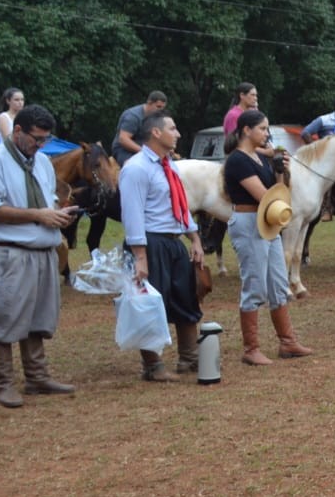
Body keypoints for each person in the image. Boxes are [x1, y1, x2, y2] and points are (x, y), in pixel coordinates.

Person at [0, 103, 81, 407]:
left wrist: (59, 215)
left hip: (43, 251)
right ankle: (4, 383)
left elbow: (44, 205)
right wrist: (38, 215)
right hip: (11, 252)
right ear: (17, 131)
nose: (40, 144)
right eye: (36, 138)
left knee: (38, 316)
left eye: (45, 139)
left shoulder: (43, 162)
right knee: (5, 316)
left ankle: (36, 376)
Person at [120, 111, 210, 380]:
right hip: (150, 242)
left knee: (186, 297)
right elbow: (132, 214)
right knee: (149, 303)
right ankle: (153, 366)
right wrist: (140, 256)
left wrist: (194, 238)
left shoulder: (168, 165)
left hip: (173, 241)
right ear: (156, 133)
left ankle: (189, 358)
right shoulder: (136, 168)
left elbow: (180, 205)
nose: (178, 133)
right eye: (173, 128)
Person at [223, 109, 312, 365]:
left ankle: (287, 342)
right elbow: (265, 196)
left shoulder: (259, 157)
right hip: (249, 221)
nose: (266, 134)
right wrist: (277, 182)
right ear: (246, 130)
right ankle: (251, 348)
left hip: (267, 220)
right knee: (255, 284)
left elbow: (279, 190)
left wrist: (281, 170)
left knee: (278, 281)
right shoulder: (238, 160)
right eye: (262, 129)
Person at [112, 91, 169, 165]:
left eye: (162, 108)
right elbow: (123, 139)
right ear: (149, 103)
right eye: (158, 107)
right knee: (132, 166)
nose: (160, 110)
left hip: (144, 149)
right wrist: (145, 152)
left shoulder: (155, 117)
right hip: (123, 150)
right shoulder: (133, 116)